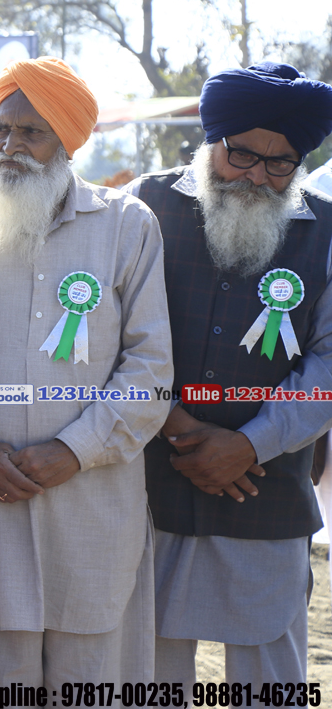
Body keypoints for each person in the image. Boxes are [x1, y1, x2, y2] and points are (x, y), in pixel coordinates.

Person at [0, 57, 171, 691]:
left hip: (91, 511)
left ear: (66, 141)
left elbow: (151, 370)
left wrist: (74, 450)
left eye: (31, 132)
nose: (10, 146)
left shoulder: (126, 226)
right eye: (1, 130)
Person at [128, 62, 332, 688]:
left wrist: (249, 443)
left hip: (266, 491)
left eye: (280, 164)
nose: (258, 177)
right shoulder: (142, 206)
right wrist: (177, 426)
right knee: (148, 677)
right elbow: (108, 337)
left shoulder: (327, 228)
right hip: (148, 490)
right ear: (211, 140)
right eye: (241, 155)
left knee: (271, 683)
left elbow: (328, 361)